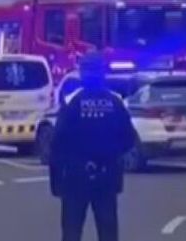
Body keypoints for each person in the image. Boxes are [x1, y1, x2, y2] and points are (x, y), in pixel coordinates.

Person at [49, 53, 138, 241]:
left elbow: (57, 142)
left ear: (81, 74)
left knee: (72, 230)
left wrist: (56, 181)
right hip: (107, 175)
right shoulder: (114, 102)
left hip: (75, 175)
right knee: (108, 230)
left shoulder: (73, 101)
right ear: (103, 73)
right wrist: (112, 156)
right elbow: (129, 137)